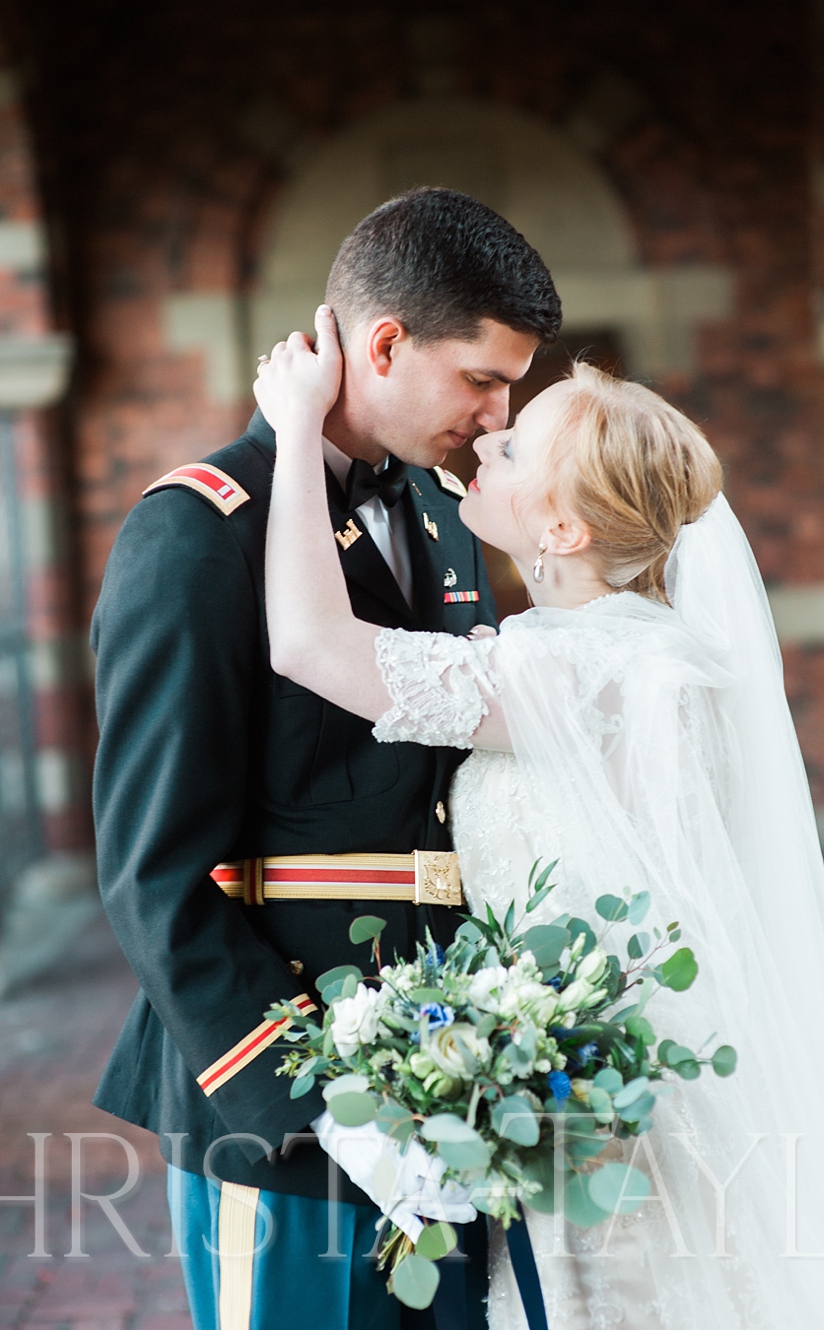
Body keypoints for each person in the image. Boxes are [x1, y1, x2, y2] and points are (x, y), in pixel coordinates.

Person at [256, 308, 824, 1329]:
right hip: (619, 1081)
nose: (481, 442)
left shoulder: (571, 669)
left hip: (603, 1117)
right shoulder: (659, 656)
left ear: (562, 530)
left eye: (510, 449)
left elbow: (312, 647)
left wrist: (293, 429)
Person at [90, 187, 561, 1330]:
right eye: (484, 379)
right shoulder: (200, 530)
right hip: (292, 1100)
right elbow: (153, 871)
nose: (500, 413)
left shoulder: (454, 519)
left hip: (459, 1078)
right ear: (387, 343)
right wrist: (316, 1096)